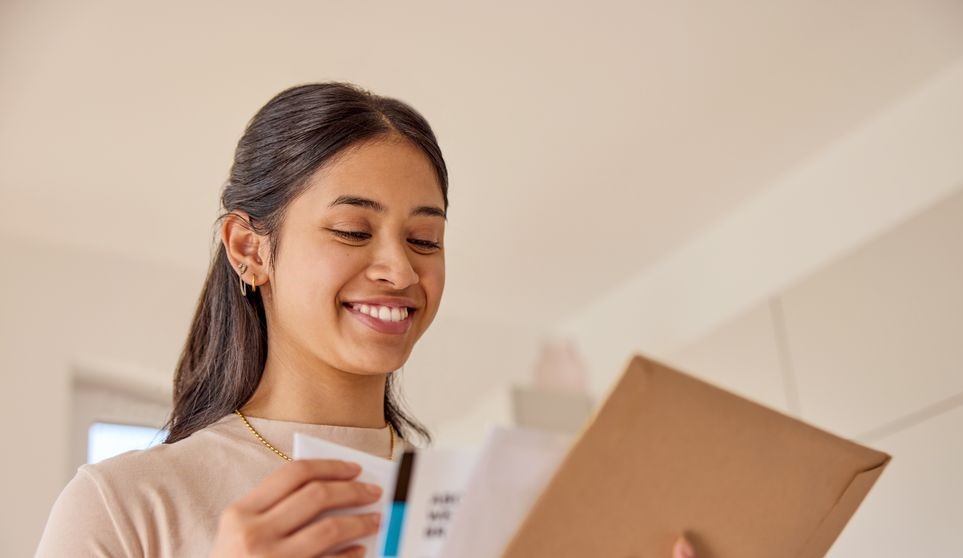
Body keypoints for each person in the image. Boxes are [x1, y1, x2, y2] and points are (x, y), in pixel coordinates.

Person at [35, 82, 697, 558]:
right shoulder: (126, 507)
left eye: (425, 240)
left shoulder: (481, 510)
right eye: (353, 231)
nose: (401, 272)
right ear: (248, 248)